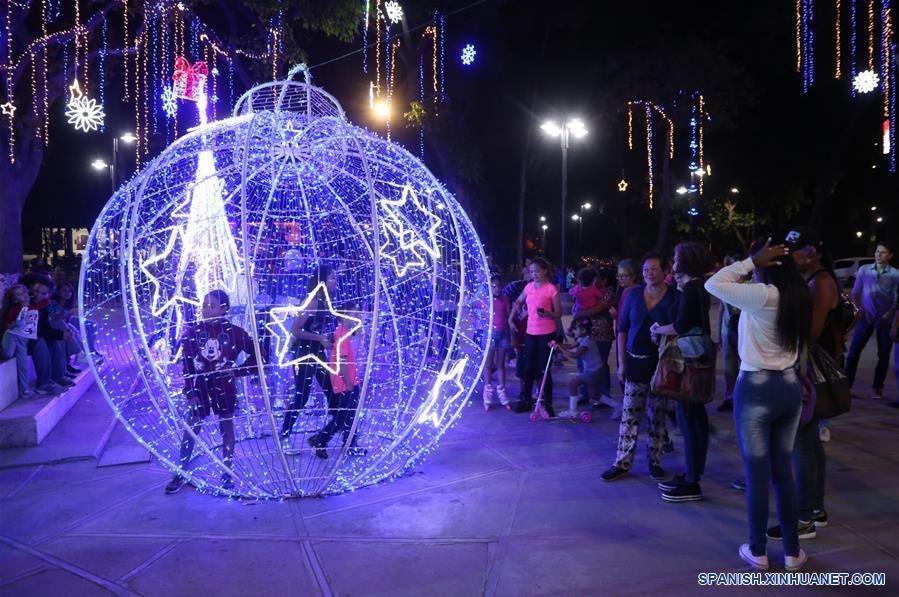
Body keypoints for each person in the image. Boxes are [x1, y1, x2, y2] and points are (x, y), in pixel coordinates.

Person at [705, 237, 812, 573]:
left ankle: (758, 551)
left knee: (757, 475)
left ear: (766, 266)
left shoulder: (762, 296)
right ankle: (793, 553)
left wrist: (750, 261)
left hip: (756, 390)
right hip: (789, 388)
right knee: (783, 473)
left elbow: (714, 283)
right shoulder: (799, 296)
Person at [765, 227, 839, 541]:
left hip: (809, 370)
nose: (790, 255)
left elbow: (810, 331)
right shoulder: (811, 281)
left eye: (794, 249)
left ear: (812, 252)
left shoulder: (820, 282)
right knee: (808, 443)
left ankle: (805, 517)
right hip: (806, 367)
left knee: (801, 444)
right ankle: (815, 510)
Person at [165, 290, 259, 494]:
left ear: (225, 308)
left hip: (225, 388)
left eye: (213, 305)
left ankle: (226, 472)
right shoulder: (192, 332)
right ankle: (180, 471)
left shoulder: (236, 333)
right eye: (205, 305)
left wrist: (236, 371)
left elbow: (259, 356)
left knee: (226, 428)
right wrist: (190, 392)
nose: (207, 310)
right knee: (192, 429)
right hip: (200, 388)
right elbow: (187, 366)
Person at [601, 252, 678, 482]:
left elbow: (680, 328)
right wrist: (621, 363)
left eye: (654, 269)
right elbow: (622, 328)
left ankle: (654, 461)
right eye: (645, 269)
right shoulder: (633, 294)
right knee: (630, 414)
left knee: (657, 415)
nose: (649, 273)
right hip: (635, 360)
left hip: (661, 364)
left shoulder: (675, 297)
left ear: (665, 271)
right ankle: (622, 462)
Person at [653, 242, 715, 503]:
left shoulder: (692, 288)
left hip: (687, 361)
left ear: (686, 260)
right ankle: (693, 473)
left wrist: (658, 329)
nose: (673, 261)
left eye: (677, 257)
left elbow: (679, 324)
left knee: (689, 420)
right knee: (695, 418)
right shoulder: (694, 287)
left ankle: (692, 481)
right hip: (698, 357)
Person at [279, 265, 339, 448]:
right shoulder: (313, 301)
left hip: (317, 352)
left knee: (331, 392)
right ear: (321, 281)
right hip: (304, 354)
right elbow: (295, 330)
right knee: (302, 395)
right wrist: (319, 338)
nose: (335, 282)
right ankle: (285, 435)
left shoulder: (326, 300)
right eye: (332, 278)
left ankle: (334, 436)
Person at [308, 303, 365, 458]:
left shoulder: (342, 332)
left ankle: (349, 444)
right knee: (342, 418)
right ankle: (320, 440)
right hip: (346, 382)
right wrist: (348, 383)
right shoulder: (342, 334)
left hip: (346, 381)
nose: (356, 316)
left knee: (348, 416)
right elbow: (342, 361)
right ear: (344, 315)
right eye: (353, 313)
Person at [845, 243, 899, 400]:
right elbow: (855, 292)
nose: (878, 254)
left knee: (883, 354)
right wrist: (859, 309)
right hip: (866, 317)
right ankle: (847, 386)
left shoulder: (895, 274)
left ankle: (877, 388)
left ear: (890, 255)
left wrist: (889, 316)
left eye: (883, 252)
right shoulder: (864, 270)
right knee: (854, 352)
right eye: (877, 251)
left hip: (885, 320)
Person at [509, 258, 562, 416]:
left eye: (537, 271)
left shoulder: (551, 289)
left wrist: (547, 313)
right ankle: (526, 400)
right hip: (531, 333)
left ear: (545, 270)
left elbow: (558, 313)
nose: (534, 274)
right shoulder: (529, 287)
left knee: (544, 369)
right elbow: (518, 302)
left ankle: (548, 403)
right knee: (528, 368)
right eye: (531, 271)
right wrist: (511, 318)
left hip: (546, 333)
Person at [22, 274, 72, 394]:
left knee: (53, 341)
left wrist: (61, 335)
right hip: (19, 338)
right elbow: (34, 330)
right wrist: (60, 334)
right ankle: (43, 383)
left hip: (32, 335)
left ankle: (57, 376)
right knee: (40, 341)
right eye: (36, 291)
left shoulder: (43, 305)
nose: (38, 295)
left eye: (43, 293)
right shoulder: (21, 301)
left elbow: (44, 327)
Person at [556, 319, 603, 417]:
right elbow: (570, 346)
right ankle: (617, 406)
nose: (573, 331)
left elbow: (575, 355)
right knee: (593, 394)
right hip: (594, 369)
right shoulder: (581, 339)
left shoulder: (587, 342)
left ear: (583, 331)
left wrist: (560, 349)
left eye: (575, 329)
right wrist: (557, 344)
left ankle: (573, 411)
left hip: (592, 371)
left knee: (572, 384)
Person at [717, 253, 746, 413]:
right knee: (729, 368)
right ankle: (729, 397)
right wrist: (717, 335)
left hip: (744, 332)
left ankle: (742, 398)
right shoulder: (725, 285)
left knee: (744, 367)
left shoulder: (750, 285)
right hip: (727, 331)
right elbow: (721, 308)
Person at [1, 284, 40, 398]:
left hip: (23, 340)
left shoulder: (34, 306)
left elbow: (46, 301)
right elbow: (6, 323)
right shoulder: (15, 309)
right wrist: (12, 324)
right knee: (8, 354)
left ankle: (25, 390)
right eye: (19, 295)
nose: (24, 295)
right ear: (15, 299)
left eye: (24, 292)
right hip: (12, 335)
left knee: (23, 365)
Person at [483, 274, 512, 410]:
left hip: (503, 334)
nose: (496, 288)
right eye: (494, 286)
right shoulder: (486, 299)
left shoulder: (505, 299)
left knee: (500, 365)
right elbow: (469, 307)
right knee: (488, 364)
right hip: (490, 335)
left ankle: (502, 392)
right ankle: (487, 394)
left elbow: (509, 315)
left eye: (499, 285)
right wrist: (476, 321)